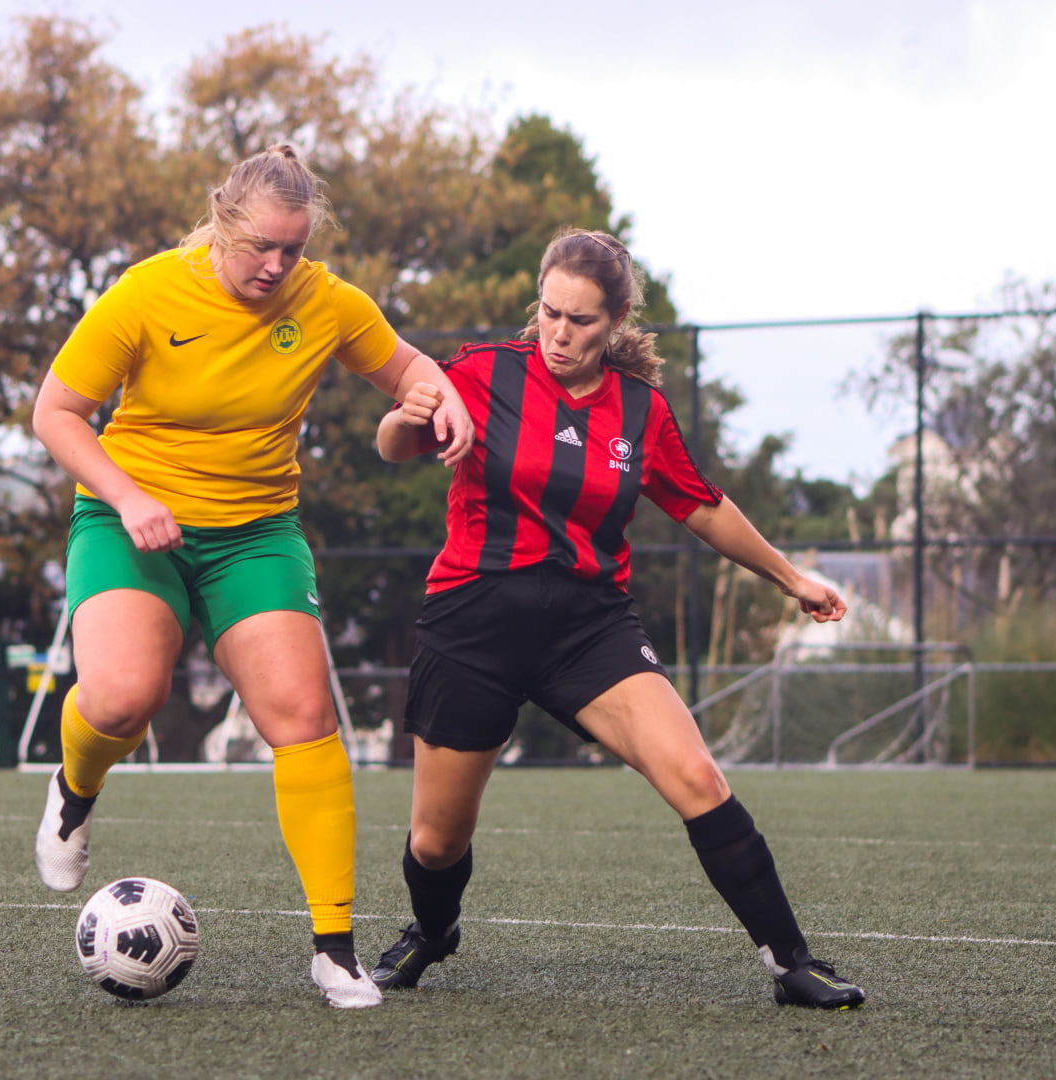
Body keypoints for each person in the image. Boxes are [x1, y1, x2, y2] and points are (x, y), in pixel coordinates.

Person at [368, 227, 866, 1009]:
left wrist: (789, 576)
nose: (560, 333)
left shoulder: (640, 411)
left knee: (697, 776)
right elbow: (394, 442)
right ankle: (432, 932)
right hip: (473, 623)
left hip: (587, 629)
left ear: (617, 321)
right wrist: (412, 414)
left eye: (582, 321)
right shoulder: (483, 371)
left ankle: (792, 963)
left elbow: (701, 506)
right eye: (550, 312)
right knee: (436, 841)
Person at [30, 144, 473, 1009]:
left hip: (256, 535)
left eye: (293, 250)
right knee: (120, 699)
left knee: (303, 717)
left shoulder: (328, 301)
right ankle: (75, 789)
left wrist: (438, 392)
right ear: (223, 220)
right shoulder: (148, 291)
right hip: (133, 521)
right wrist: (125, 497)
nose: (276, 265)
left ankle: (334, 950)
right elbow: (57, 410)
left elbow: (408, 366)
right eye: (261, 245)